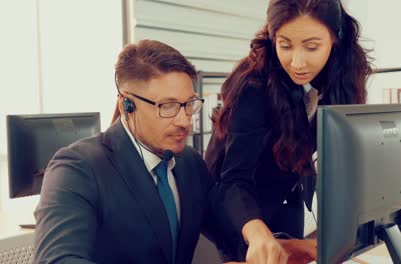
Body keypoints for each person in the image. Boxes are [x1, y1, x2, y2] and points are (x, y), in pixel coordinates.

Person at [205, 0, 372, 263]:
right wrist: (258, 233)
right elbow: (233, 179)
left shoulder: (342, 76)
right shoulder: (252, 84)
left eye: (312, 46)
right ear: (272, 39)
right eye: (284, 45)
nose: (297, 62)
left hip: (283, 200)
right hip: (236, 215)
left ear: (335, 37)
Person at [34, 39, 224, 264]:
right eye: (168, 106)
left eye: (189, 104)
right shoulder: (77, 168)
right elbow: (57, 260)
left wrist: (265, 241)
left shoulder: (190, 162)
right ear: (127, 105)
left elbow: (225, 224)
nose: (185, 121)